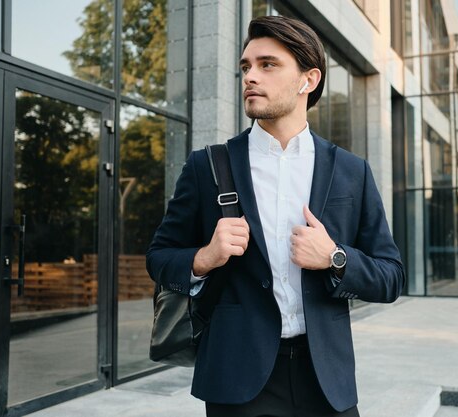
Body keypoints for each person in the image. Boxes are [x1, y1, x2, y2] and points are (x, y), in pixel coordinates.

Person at [146, 15, 404, 417]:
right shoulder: (208, 166)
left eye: (268, 65)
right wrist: (204, 258)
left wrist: (336, 258)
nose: (251, 76)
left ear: (309, 79)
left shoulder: (351, 171)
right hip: (238, 380)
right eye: (246, 66)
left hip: (327, 380)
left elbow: (391, 277)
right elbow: (159, 257)